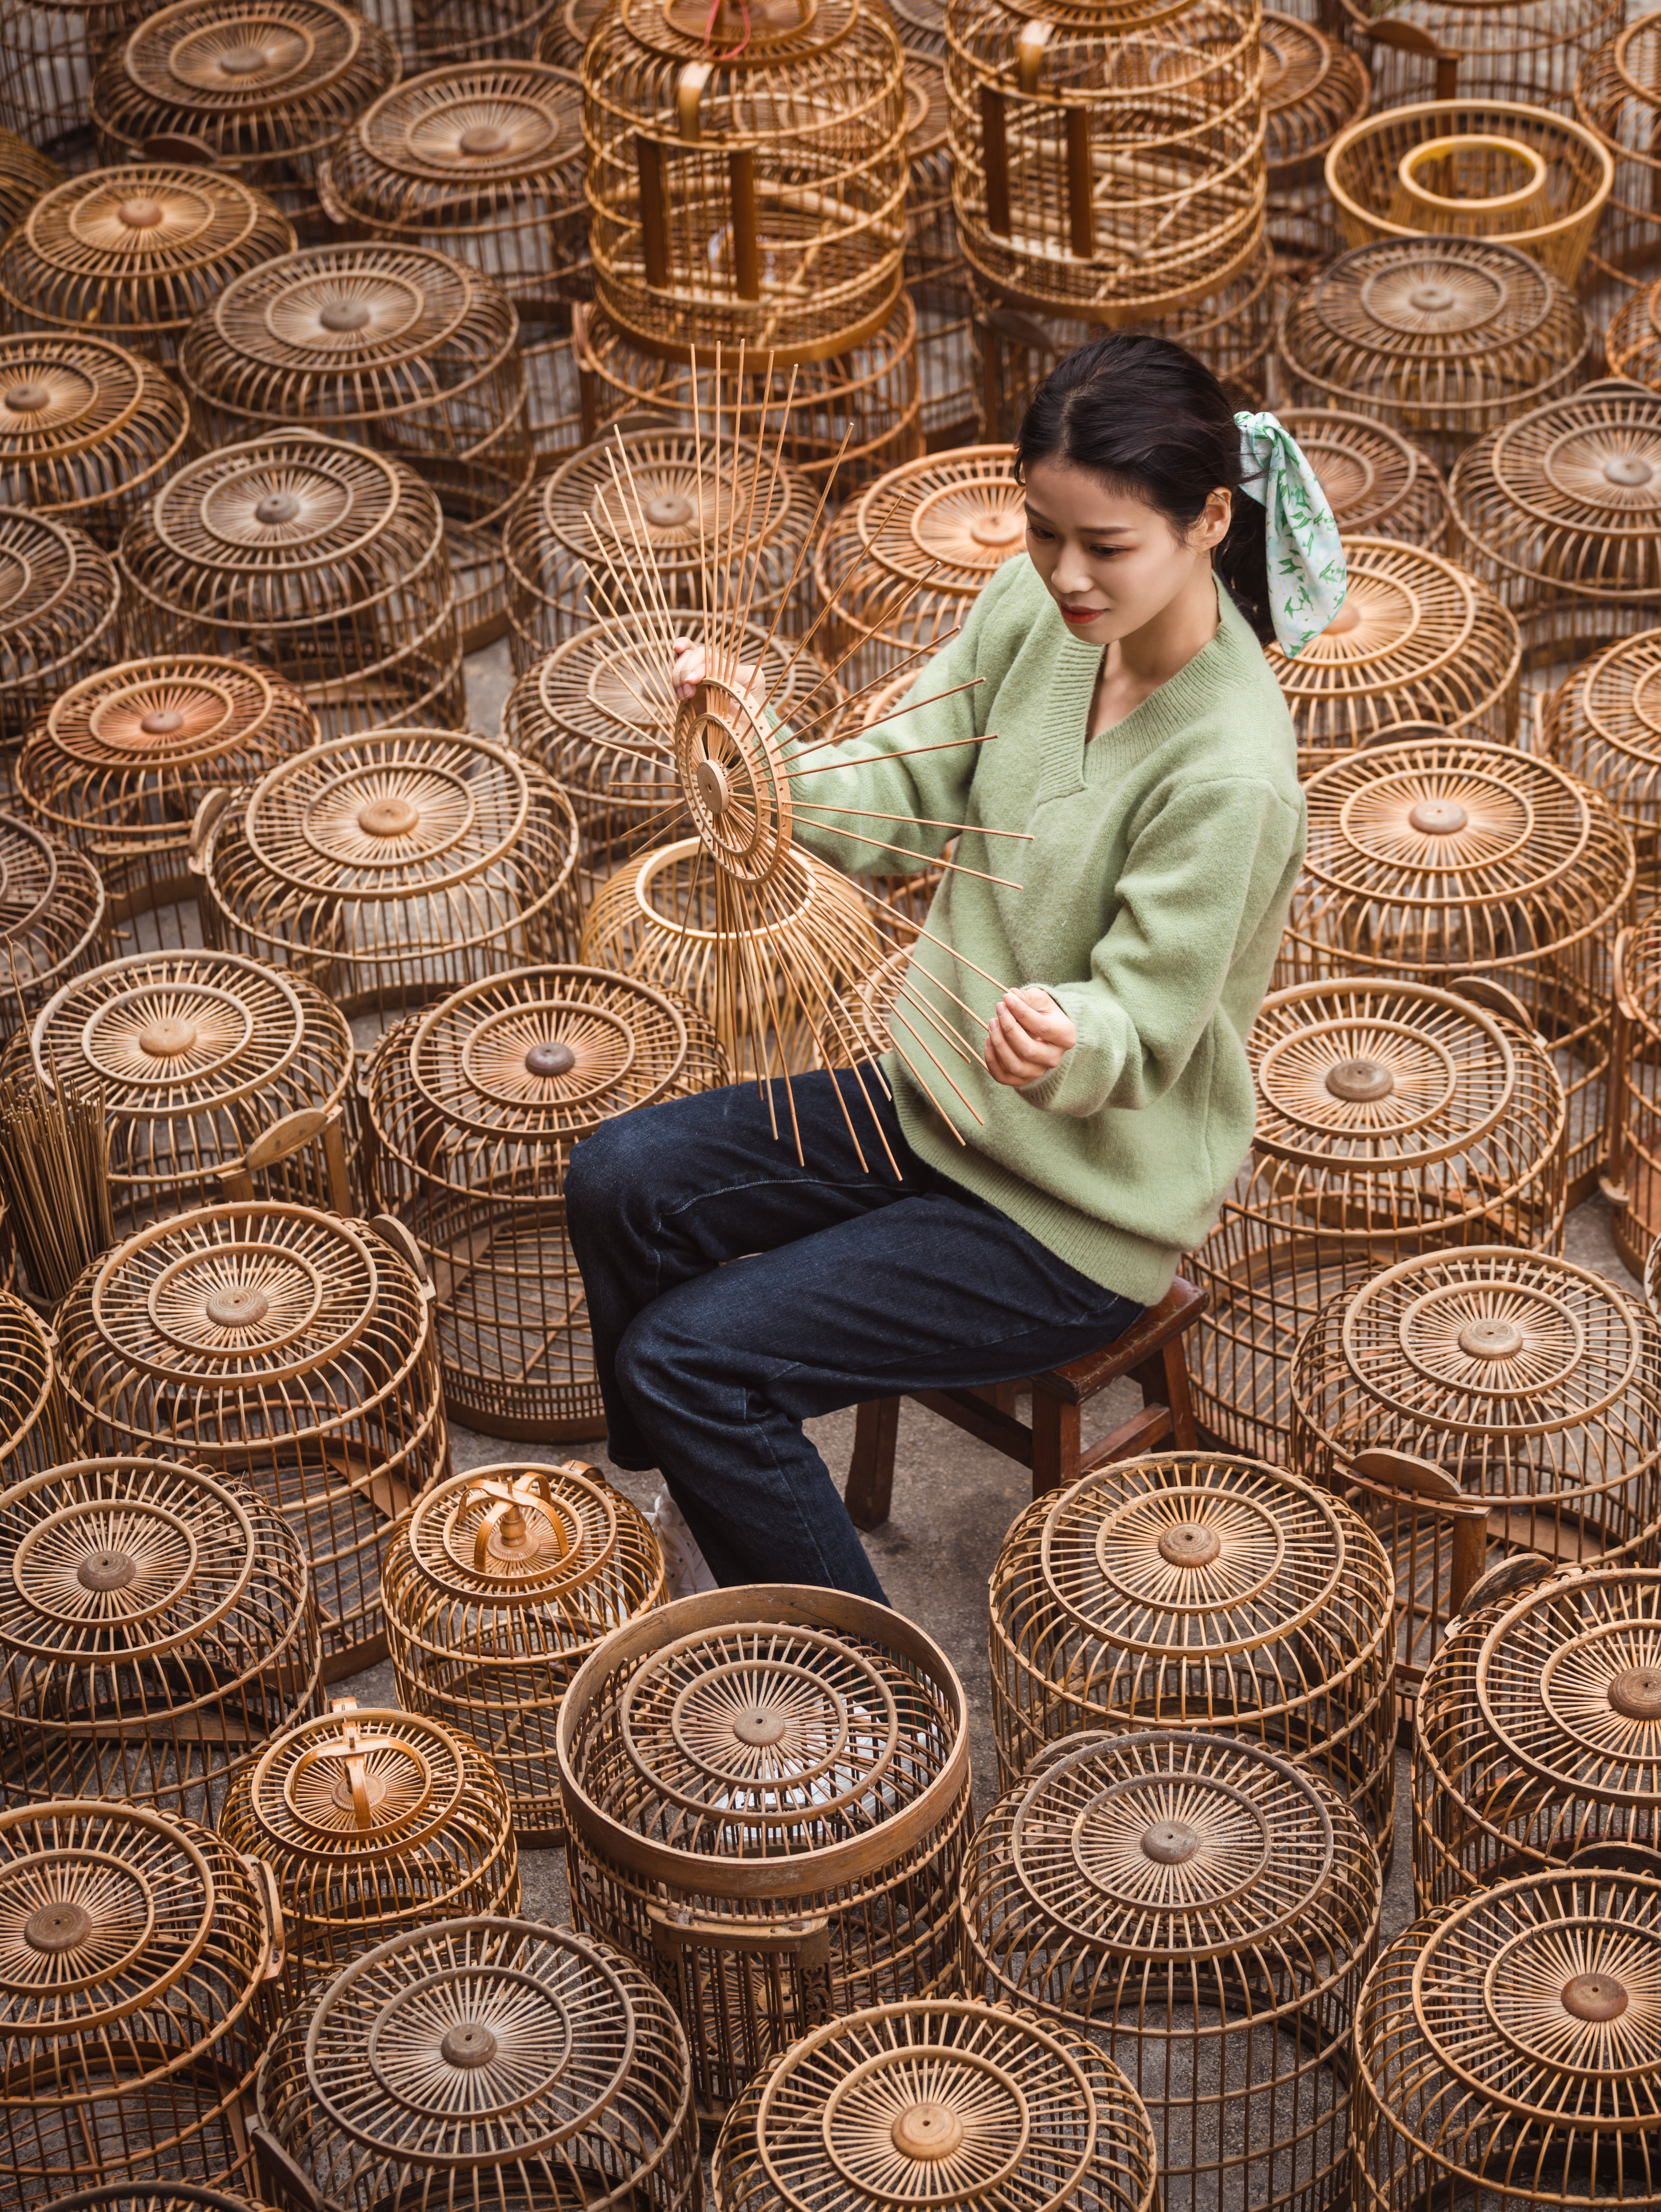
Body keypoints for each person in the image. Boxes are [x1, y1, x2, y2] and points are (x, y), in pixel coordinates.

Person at [564, 332, 1344, 1600]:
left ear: (1209, 520)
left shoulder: (1229, 773)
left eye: (1106, 546)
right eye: (1044, 532)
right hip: (937, 1094)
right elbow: (911, 783)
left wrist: (1069, 1034)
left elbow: (1143, 1027)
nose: (1066, 576)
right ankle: (722, 1487)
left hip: (1071, 1209)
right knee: (619, 1181)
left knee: (686, 1359)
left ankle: (872, 1713)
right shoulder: (1034, 612)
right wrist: (767, 768)